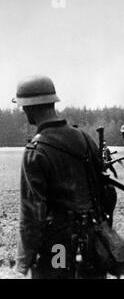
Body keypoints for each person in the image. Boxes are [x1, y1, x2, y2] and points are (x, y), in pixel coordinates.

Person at [13, 76, 116, 279]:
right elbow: (105, 192)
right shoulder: (85, 138)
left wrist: (23, 261)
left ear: (28, 109)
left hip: (58, 247)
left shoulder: (36, 151)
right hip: (92, 243)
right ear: (53, 102)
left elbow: (32, 214)